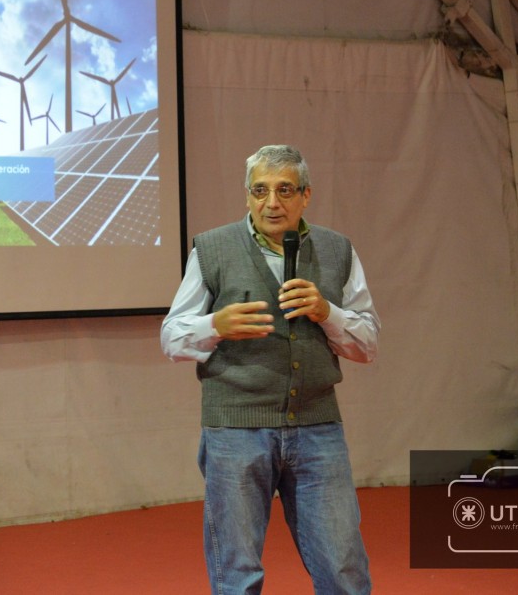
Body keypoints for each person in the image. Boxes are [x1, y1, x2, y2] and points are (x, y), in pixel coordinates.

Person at [160, 145, 380, 595]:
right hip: (235, 431)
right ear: (247, 196)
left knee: (344, 570)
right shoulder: (213, 248)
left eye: (285, 190)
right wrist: (214, 325)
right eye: (260, 191)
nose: (271, 202)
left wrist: (327, 312)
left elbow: (367, 345)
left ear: (306, 196)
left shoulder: (338, 249)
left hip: (318, 426)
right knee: (237, 575)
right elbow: (171, 338)